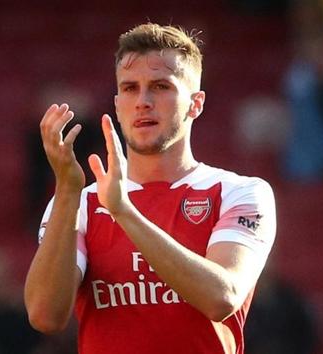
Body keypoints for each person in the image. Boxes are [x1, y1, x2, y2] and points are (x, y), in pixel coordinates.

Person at [24, 23, 276, 354]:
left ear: (195, 103)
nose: (143, 101)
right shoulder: (79, 203)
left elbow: (222, 297)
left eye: (160, 86)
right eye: (130, 88)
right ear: (116, 105)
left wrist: (124, 212)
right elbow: (45, 316)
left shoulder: (239, 192)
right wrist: (68, 193)